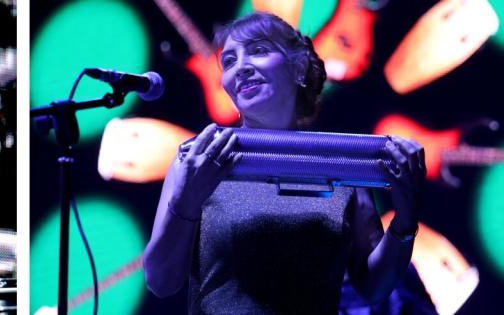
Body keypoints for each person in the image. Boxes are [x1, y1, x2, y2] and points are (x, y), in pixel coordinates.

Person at [142, 12, 424, 313]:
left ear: (299, 67)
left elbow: (372, 288)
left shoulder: (343, 165)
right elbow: (161, 282)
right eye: (229, 61)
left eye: (259, 50)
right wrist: (186, 201)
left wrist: (405, 223)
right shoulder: (200, 158)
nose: (241, 68)